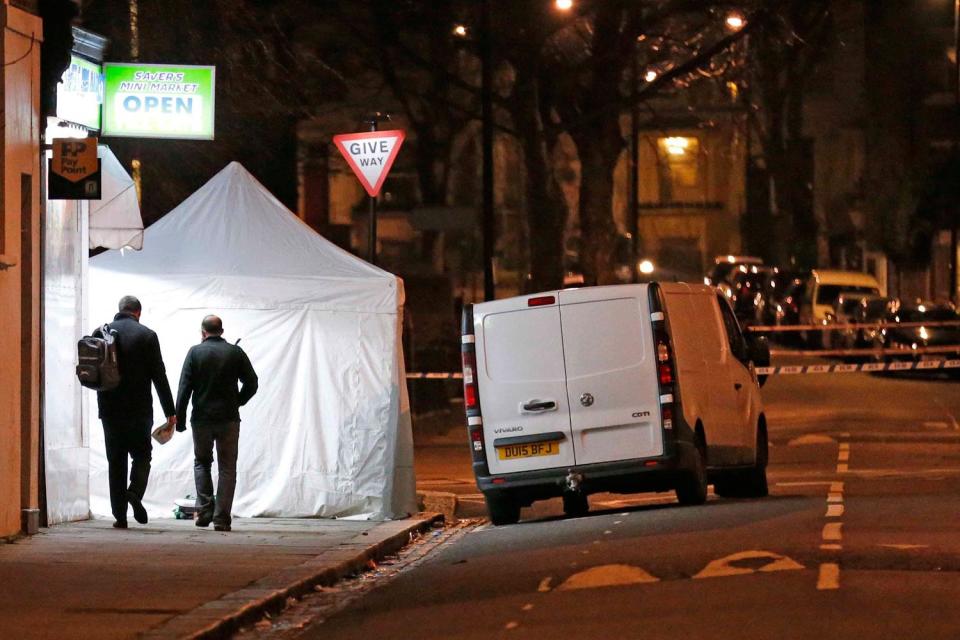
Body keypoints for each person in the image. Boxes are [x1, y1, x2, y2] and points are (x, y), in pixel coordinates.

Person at [95, 295, 177, 528]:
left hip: (109, 410)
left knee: (116, 460)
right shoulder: (147, 336)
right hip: (139, 410)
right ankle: (134, 493)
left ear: (119, 310)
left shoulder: (100, 332)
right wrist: (170, 411)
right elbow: (158, 375)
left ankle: (120, 516)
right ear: (138, 313)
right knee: (142, 455)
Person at [176, 315, 258, 532]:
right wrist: (237, 401)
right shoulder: (235, 352)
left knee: (202, 463)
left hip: (202, 419)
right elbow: (252, 382)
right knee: (227, 468)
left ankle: (204, 513)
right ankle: (221, 519)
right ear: (221, 331)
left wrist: (180, 419)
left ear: (203, 332)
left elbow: (184, 388)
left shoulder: (195, 352)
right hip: (229, 419)